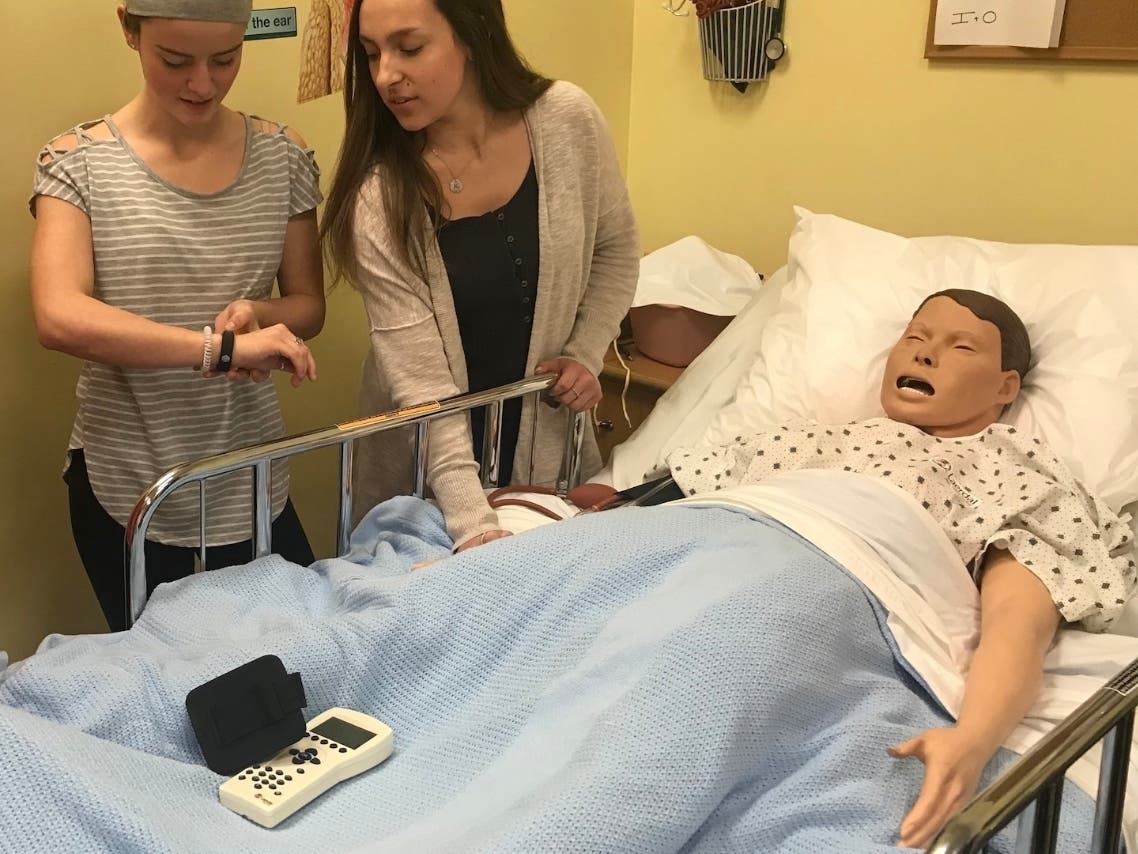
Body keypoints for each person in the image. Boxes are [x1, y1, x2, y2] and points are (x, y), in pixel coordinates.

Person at [662, 290, 1135, 847]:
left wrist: (973, 740)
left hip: (812, 587)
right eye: (915, 337)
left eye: (960, 346)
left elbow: (1019, 620)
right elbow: (688, 494)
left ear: (1006, 387)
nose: (925, 355)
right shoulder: (816, 437)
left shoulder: (1010, 470)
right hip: (705, 544)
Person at [29, 0, 325, 632]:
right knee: (170, 687)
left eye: (225, 59)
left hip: (246, 475)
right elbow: (58, 315)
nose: (203, 83)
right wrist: (216, 350)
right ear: (129, 30)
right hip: (127, 481)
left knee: (288, 659)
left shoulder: (284, 156)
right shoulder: (75, 161)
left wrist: (256, 313)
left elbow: (308, 305)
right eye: (175, 60)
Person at [319, 0, 639, 553]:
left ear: (472, 32)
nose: (386, 75)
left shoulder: (567, 121)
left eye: (410, 47)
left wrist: (586, 352)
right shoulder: (381, 196)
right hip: (425, 480)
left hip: (548, 452)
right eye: (372, 54)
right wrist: (474, 528)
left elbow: (616, 247)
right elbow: (424, 392)